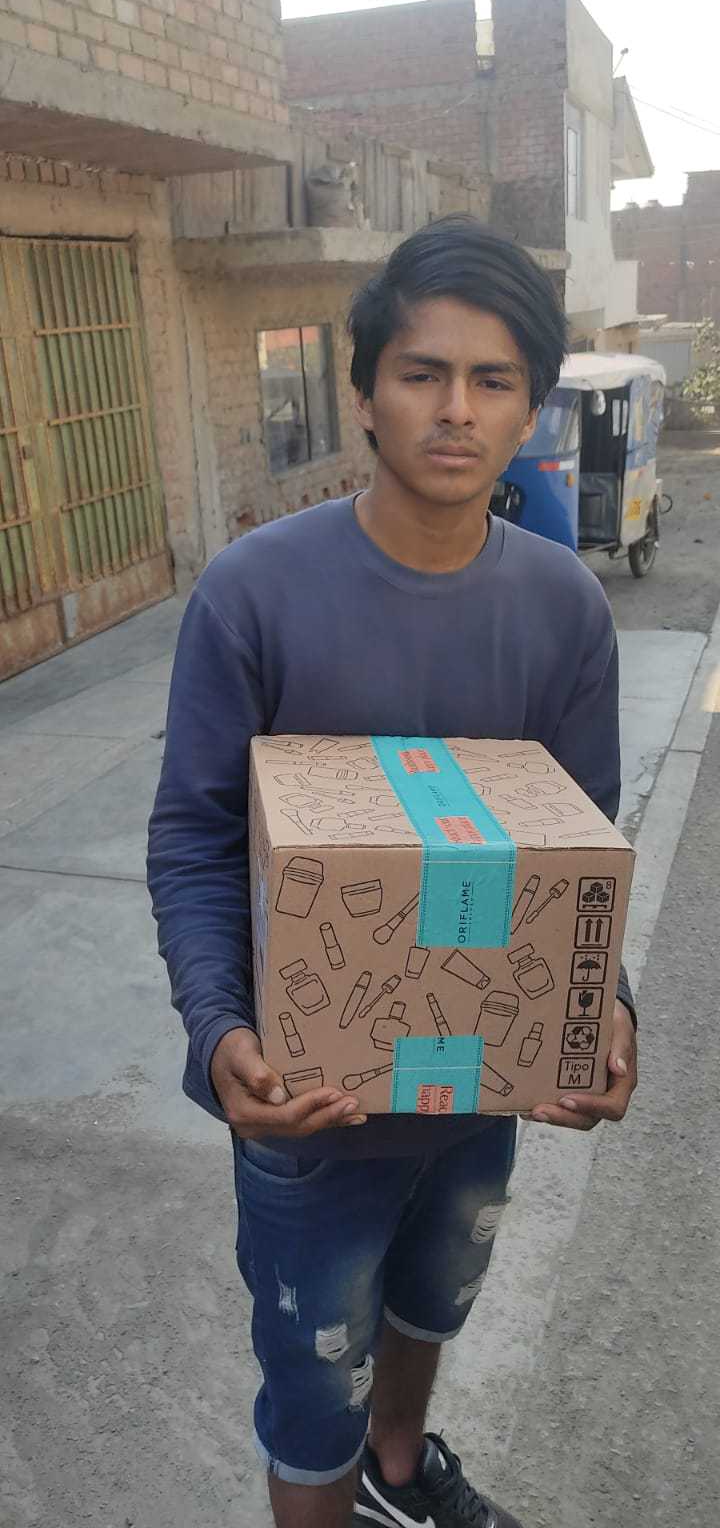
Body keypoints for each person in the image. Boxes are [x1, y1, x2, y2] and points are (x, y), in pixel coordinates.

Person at [147, 216, 638, 1528]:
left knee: (432, 1303)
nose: (456, 408)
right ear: (363, 392)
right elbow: (194, 837)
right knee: (316, 1382)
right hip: (310, 1113)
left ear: (530, 407)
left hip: (480, 1093)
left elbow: (579, 845)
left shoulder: (562, 608)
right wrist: (222, 1031)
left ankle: (400, 1476)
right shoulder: (255, 593)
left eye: (492, 380)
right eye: (422, 372)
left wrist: (605, 1007)